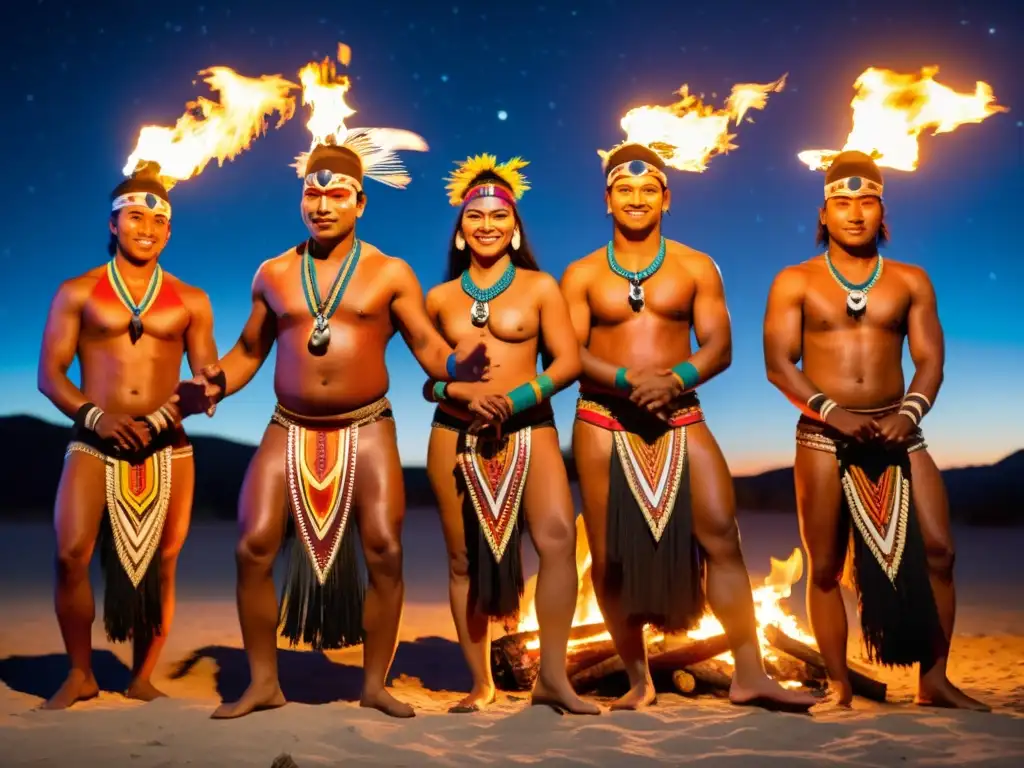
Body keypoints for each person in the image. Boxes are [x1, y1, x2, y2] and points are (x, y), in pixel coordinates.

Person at [192, 131, 490, 720]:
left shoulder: (390, 273)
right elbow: (249, 351)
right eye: (311, 194)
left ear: (361, 202)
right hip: (289, 423)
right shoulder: (274, 273)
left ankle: (374, 684)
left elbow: (429, 347)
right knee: (252, 544)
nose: (322, 205)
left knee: (383, 547)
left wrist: (459, 367)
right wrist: (215, 382)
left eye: (337, 194)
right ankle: (263, 683)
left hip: (368, 424)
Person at [560, 142, 817, 712]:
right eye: (623, 189)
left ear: (666, 198)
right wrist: (628, 379)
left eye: (648, 188)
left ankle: (749, 674)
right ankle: (638, 679)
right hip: (603, 419)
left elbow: (720, 347)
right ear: (607, 199)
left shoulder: (697, 265)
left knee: (722, 535)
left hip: (681, 414)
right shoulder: (579, 274)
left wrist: (674, 378)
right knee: (607, 555)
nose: (635, 198)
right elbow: (569, 352)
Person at [762, 149, 989, 711]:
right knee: (823, 566)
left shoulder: (910, 280)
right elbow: (778, 363)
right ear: (823, 214)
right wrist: (830, 412)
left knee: (940, 551)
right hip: (822, 434)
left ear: (882, 210)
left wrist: (906, 414)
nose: (855, 213)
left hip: (900, 430)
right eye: (842, 202)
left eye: (866, 201)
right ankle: (839, 684)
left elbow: (931, 361)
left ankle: (933, 682)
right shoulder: (795, 281)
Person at [421, 154, 601, 715]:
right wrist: (460, 394)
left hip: (530, 427)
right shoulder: (438, 298)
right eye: (474, 216)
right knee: (461, 561)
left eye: (498, 216)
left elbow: (568, 362)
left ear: (515, 227)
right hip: (456, 432)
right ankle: (481, 683)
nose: (486, 225)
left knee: (556, 541)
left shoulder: (541, 287)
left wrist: (517, 398)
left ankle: (552, 677)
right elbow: (430, 380)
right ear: (460, 230)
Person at [36, 162, 218, 709]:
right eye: (133, 216)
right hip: (93, 438)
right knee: (71, 553)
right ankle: (80, 672)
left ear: (168, 232)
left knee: (163, 562)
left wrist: (172, 411)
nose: (144, 227)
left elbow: (208, 381)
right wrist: (98, 417)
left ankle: (142, 676)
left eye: (155, 221)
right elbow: (50, 374)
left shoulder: (191, 299)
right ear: (113, 224)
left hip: (170, 445)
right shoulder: (78, 291)